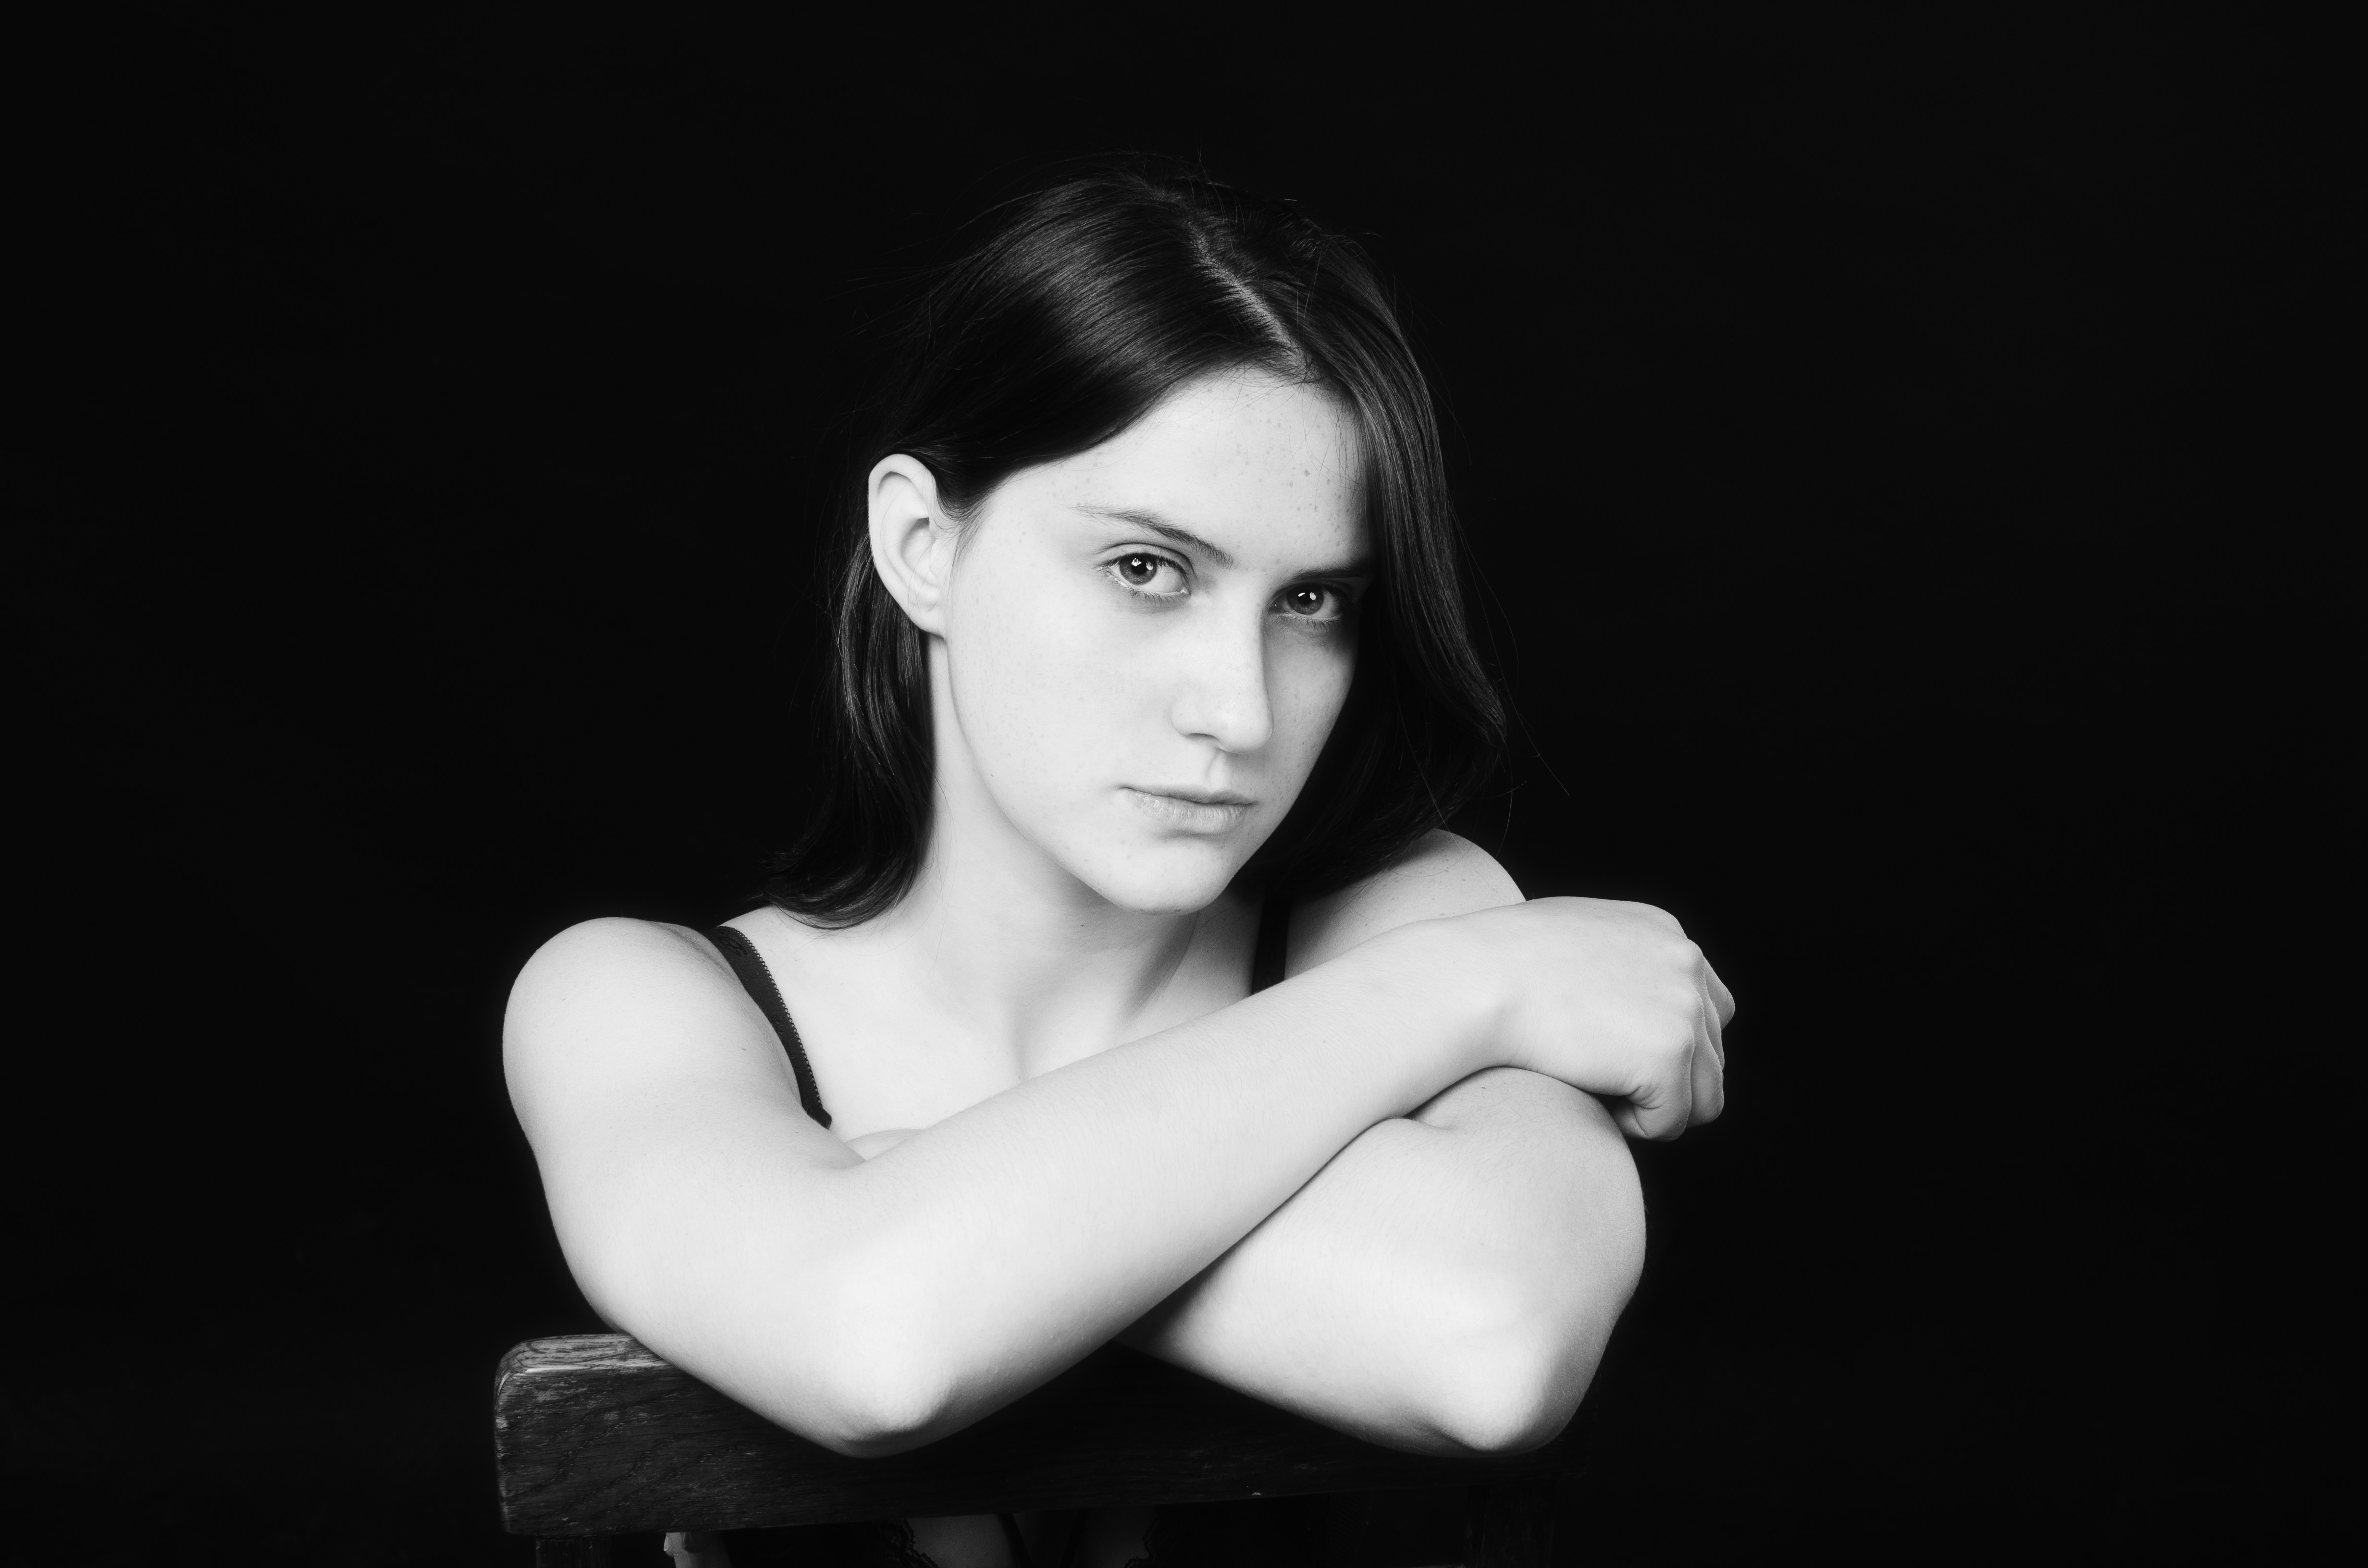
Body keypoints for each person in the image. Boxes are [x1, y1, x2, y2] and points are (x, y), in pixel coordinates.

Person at [505, 163, 1733, 1568]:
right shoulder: (635, 999)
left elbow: (1490, 1349)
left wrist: (914, 1192)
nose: (1243, 710)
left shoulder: (1403, 914)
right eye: (1149, 569)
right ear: (922, 545)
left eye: (1313, 601)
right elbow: (877, 1346)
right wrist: (1467, 992)